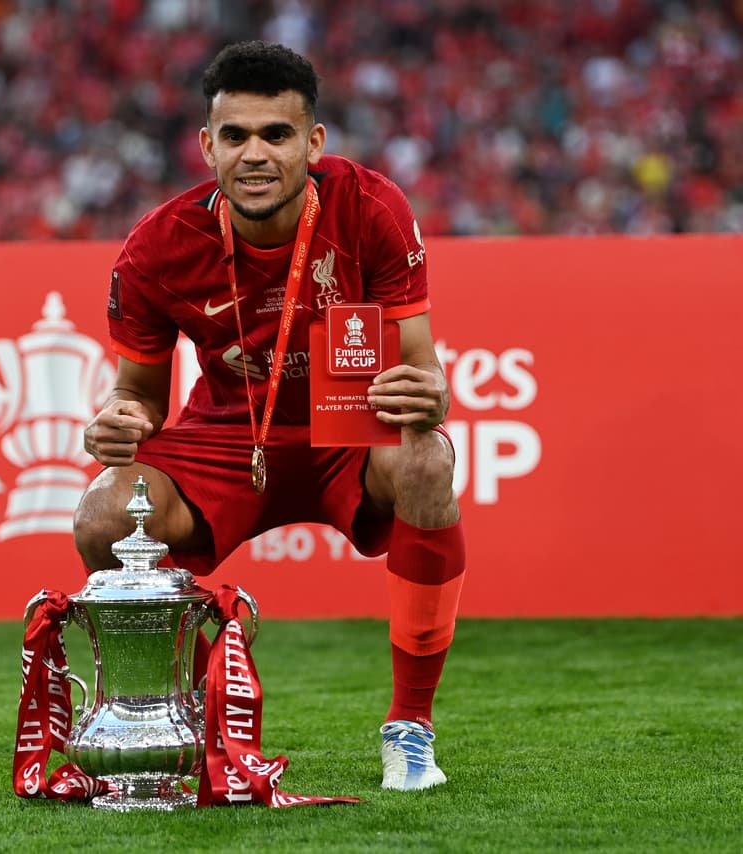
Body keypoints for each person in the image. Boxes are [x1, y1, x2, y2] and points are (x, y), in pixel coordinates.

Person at [74, 40, 465, 792]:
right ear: (207, 146)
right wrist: (116, 420)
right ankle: (190, 716)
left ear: (312, 144)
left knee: (427, 457)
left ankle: (411, 728)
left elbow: (421, 370)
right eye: (236, 136)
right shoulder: (157, 246)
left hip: (345, 433)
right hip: (225, 436)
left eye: (276, 135)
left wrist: (432, 396)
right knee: (102, 516)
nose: (255, 154)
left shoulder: (370, 207)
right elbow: (140, 397)